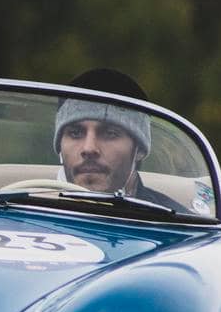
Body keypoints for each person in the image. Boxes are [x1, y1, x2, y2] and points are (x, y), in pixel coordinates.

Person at [52, 69, 179, 209]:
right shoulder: (30, 210)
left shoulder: (176, 224)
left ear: (140, 149)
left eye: (110, 133)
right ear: (59, 147)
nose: (89, 148)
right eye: (75, 133)